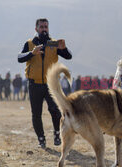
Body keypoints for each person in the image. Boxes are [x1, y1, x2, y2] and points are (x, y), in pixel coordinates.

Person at [18, 18, 72, 148]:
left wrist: (64, 49)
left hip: (51, 84)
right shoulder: (30, 43)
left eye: (46, 27)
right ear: (36, 28)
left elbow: (68, 56)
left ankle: (57, 134)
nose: (44, 29)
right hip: (34, 84)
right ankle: (41, 139)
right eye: (41, 27)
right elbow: (19, 57)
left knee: (55, 110)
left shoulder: (53, 43)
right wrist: (32, 53)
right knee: (36, 113)